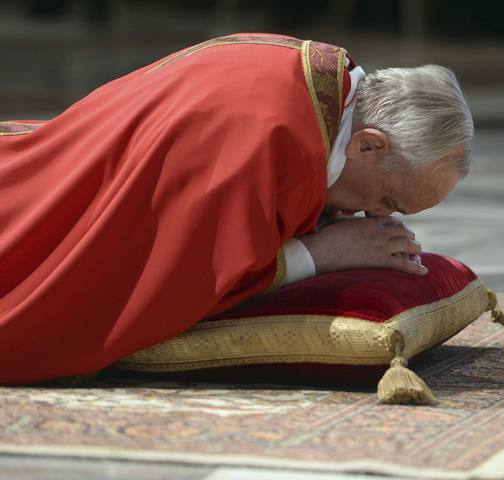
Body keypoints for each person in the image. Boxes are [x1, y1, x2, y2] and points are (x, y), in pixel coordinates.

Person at [0, 33, 473, 384]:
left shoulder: (325, 84)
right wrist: (321, 255)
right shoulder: (259, 141)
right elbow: (177, 274)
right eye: (386, 202)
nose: (377, 219)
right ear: (368, 146)